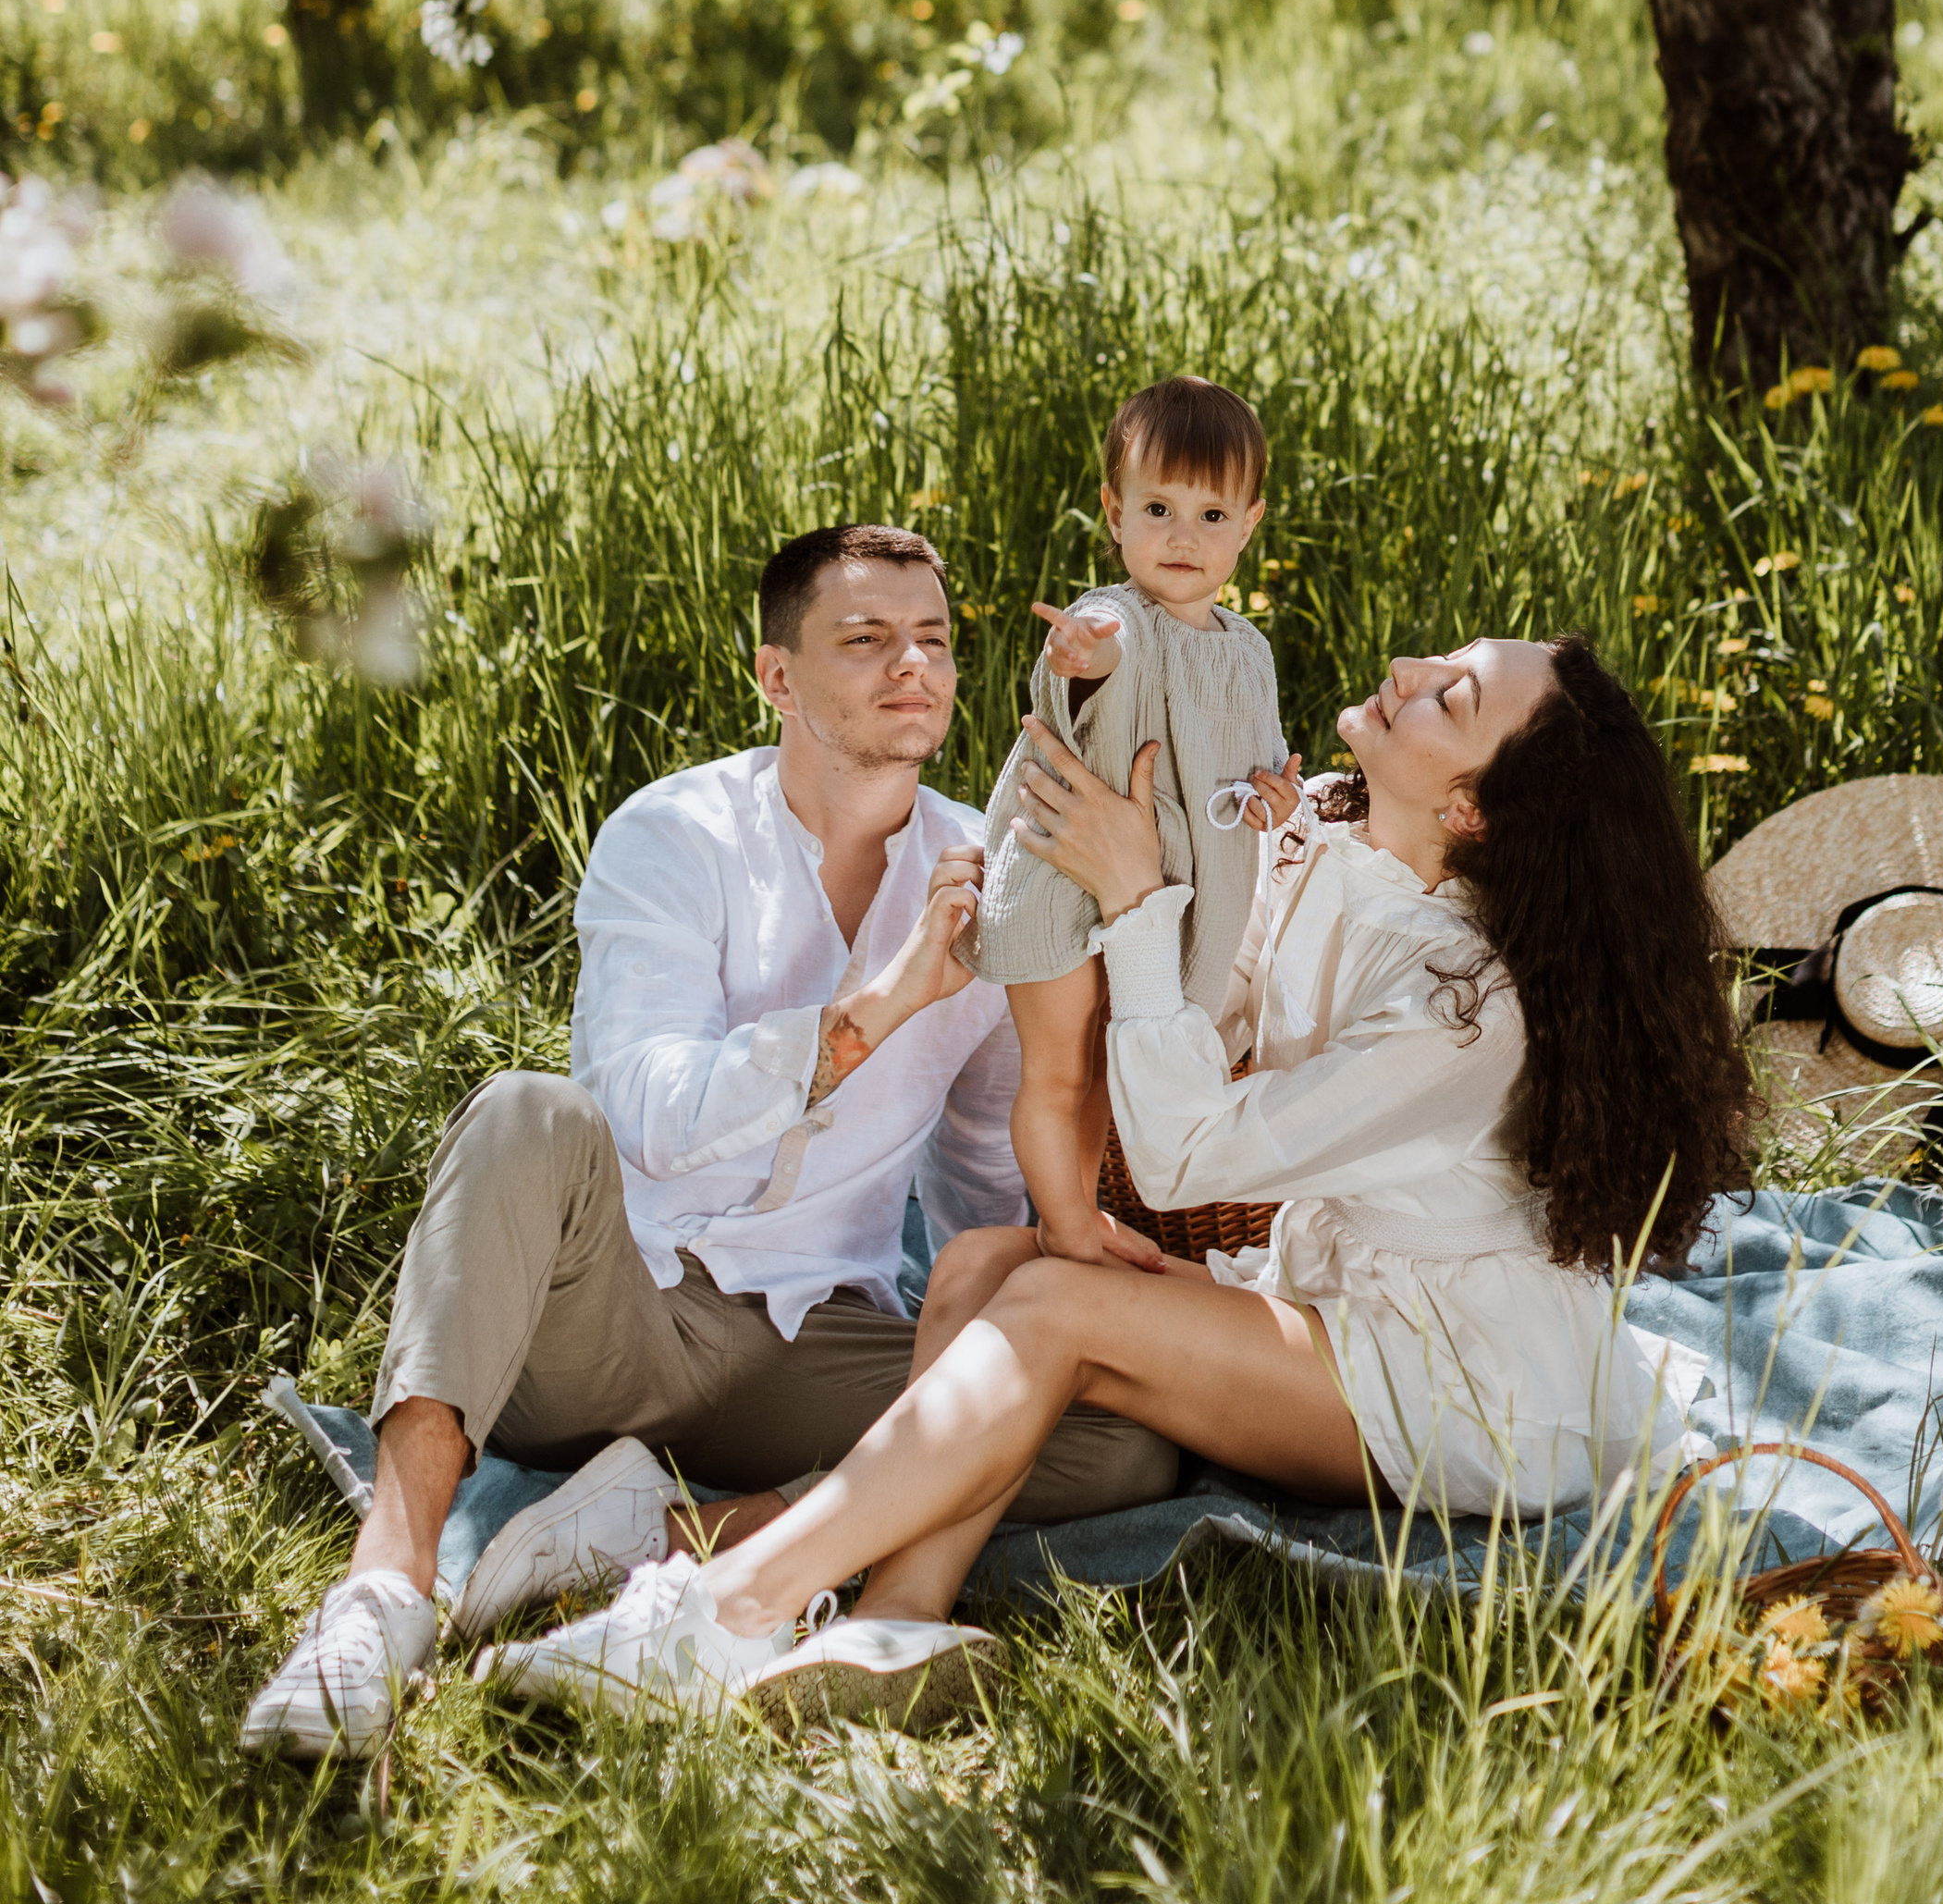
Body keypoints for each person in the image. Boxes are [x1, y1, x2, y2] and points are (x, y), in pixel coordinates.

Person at [490, 628, 1760, 1733]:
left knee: (1059, 1307)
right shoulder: (1345, 846)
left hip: (1457, 1389)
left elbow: (1184, 1153)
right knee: (985, 1261)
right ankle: (895, 1619)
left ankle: (724, 1610)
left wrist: (1136, 894)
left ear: (1473, 810)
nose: (1411, 669)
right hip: (1349, 1303)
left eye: (1453, 697)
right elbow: (1227, 1010)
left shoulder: (1465, 1011)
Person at [240, 521, 1178, 1760]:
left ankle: (663, 1537)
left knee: (1120, 1436)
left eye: (935, 640)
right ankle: (383, 1597)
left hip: (812, 1338)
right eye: (867, 639)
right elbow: (650, 1112)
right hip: (616, 1315)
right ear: (777, 676)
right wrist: (877, 1007)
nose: (914, 665)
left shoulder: (985, 874)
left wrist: (1031, 1286)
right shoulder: (675, 834)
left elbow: (977, 1169)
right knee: (523, 1110)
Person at [963, 375, 1299, 1265]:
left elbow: (1252, 764)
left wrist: (1273, 797)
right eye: (1158, 509)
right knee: (1059, 1068)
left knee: (1109, 1071)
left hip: (1158, 893)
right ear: (1115, 515)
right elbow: (1098, 653)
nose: (1183, 537)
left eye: (1211, 515)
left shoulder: (1249, 652)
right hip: (1061, 874)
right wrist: (1079, 655)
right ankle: (1066, 1226)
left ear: (1249, 525)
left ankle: (1075, 1211)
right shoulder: (1113, 620)